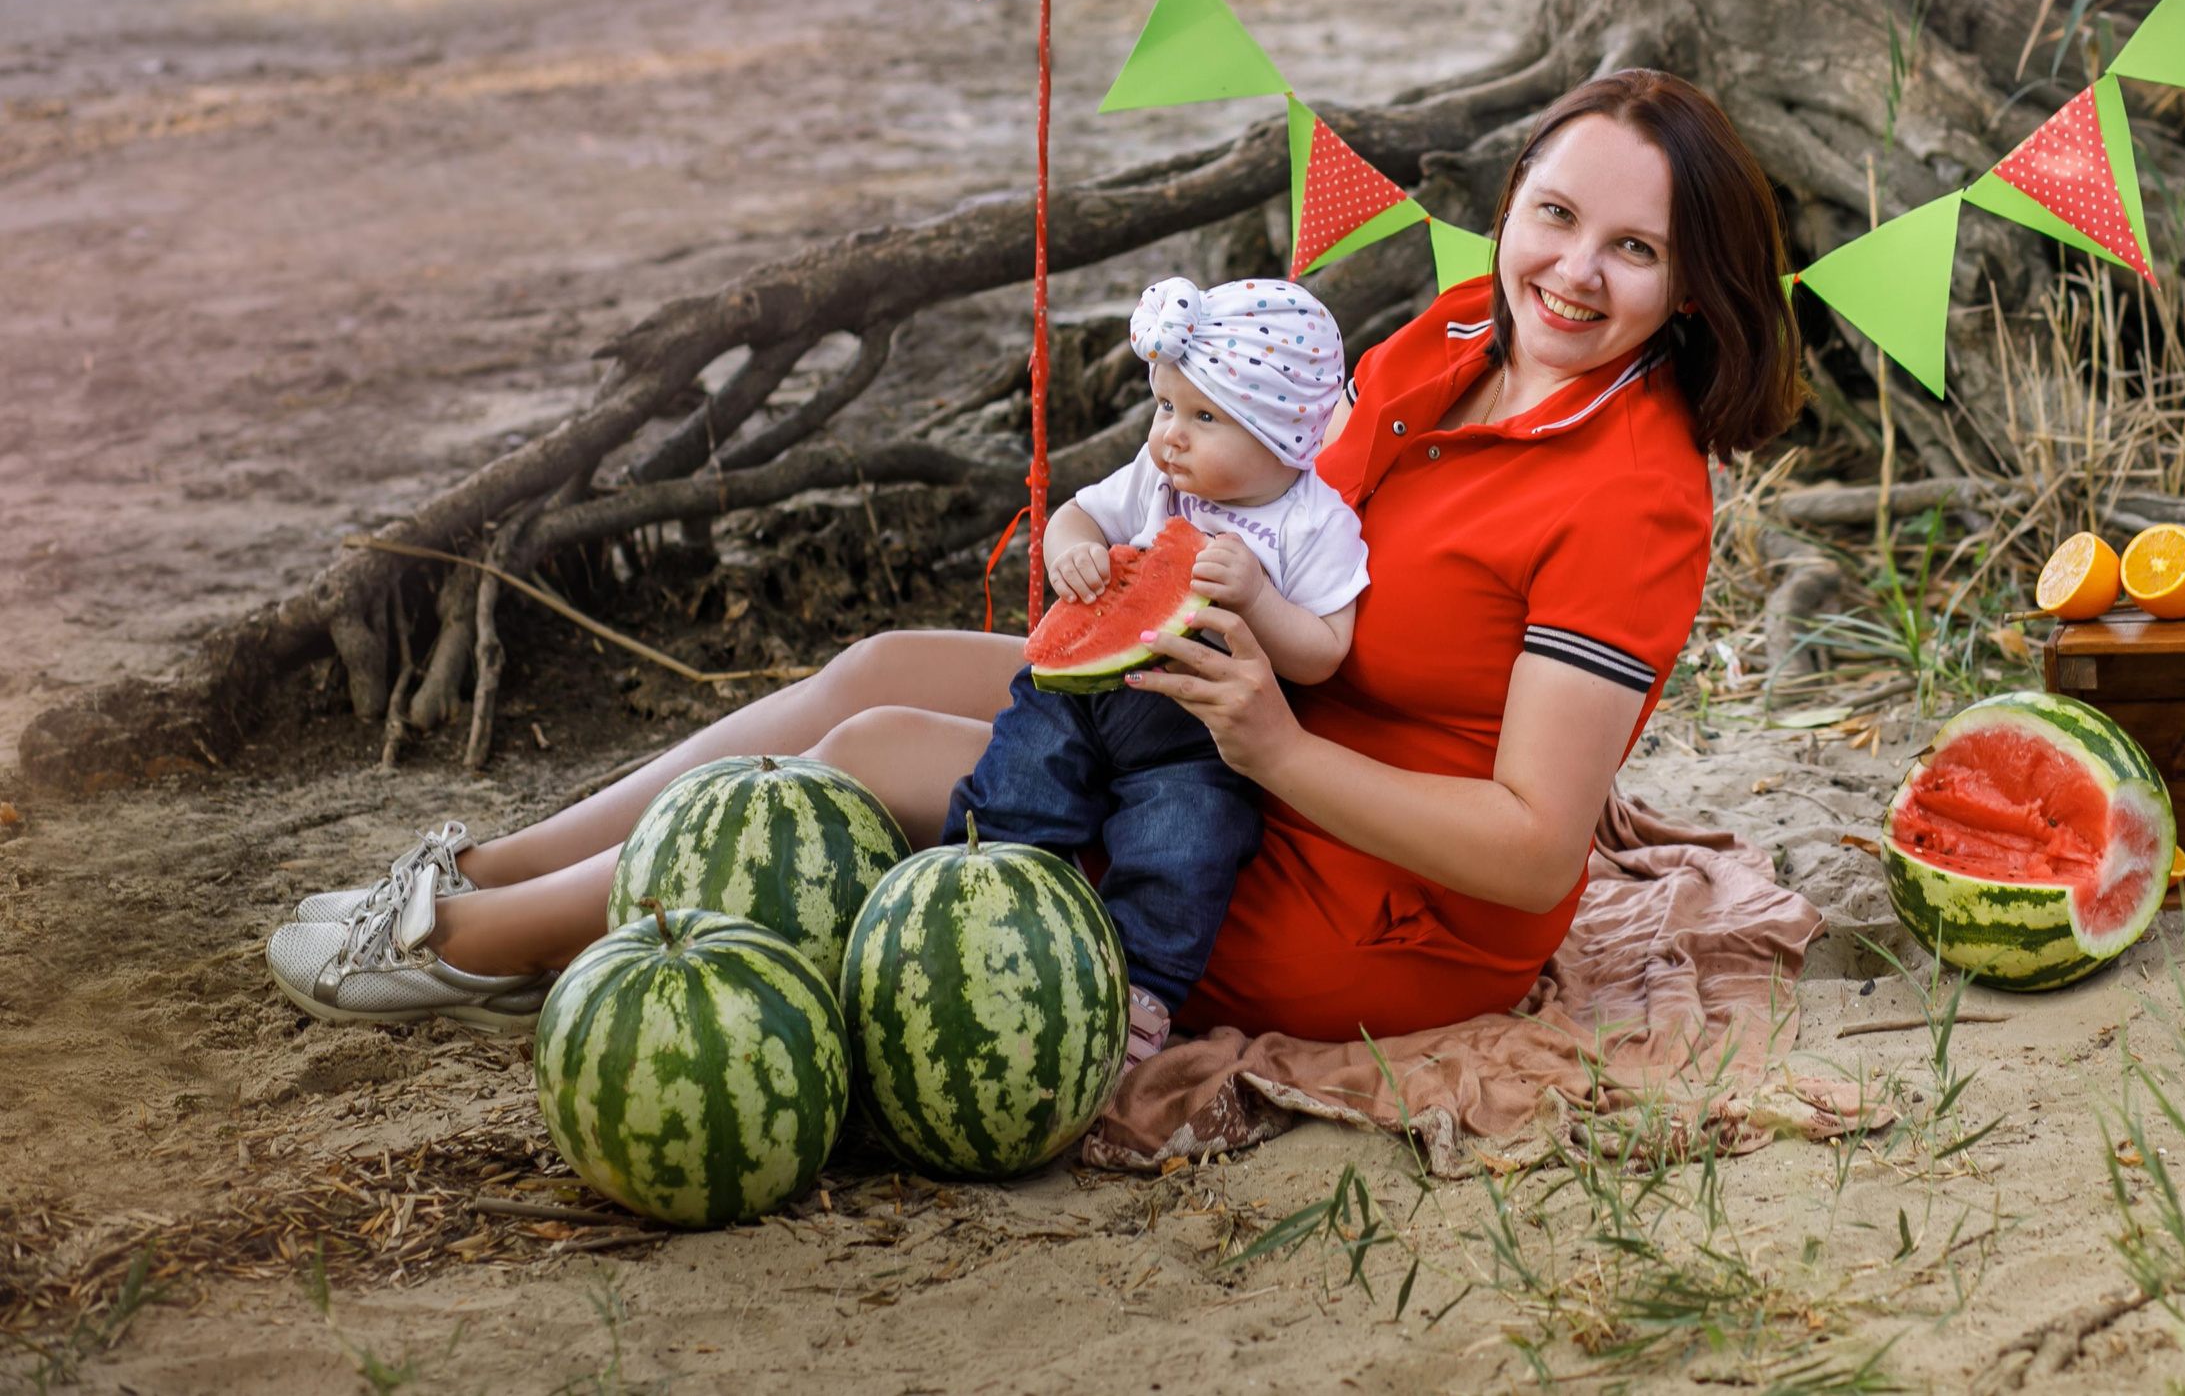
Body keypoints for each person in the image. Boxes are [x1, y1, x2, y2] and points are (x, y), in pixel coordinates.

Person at [265, 68, 1804, 1044]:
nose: (1573, 270)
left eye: (1634, 247)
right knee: (878, 668)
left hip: (1361, 884)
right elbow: (1263, 500)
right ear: (1511, 203)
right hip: (1233, 700)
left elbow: (1533, 848)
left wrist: (1271, 743)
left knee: (873, 752)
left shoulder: (1636, 497)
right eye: (1554, 213)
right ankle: (487, 863)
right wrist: (1118, 521)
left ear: (1692, 285)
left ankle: (472, 946)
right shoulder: (1455, 332)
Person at [949, 275, 1366, 1066]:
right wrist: (1072, 550)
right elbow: (1078, 513)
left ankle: (1140, 989)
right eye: (1166, 405)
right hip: (1079, 696)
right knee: (1019, 777)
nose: (1171, 434)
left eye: (1204, 417)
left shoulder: (1315, 523)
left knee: (1187, 844)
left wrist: (1259, 600)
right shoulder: (1157, 474)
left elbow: (1325, 649)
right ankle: (975, 900)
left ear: (1283, 433)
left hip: (1198, 740)